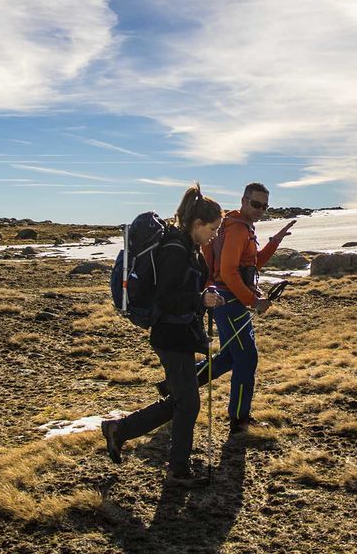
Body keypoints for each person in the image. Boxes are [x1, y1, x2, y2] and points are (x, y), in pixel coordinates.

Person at [101, 183, 224, 487]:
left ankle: (120, 429)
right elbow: (167, 299)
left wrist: (201, 293)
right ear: (197, 223)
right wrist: (200, 300)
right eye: (213, 228)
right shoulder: (175, 250)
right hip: (171, 335)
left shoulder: (187, 247)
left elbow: (182, 290)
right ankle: (177, 470)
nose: (215, 234)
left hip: (179, 333)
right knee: (189, 403)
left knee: (183, 400)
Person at [159, 183, 295, 434]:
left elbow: (251, 264)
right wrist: (253, 302)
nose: (260, 210)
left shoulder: (239, 226)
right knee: (246, 358)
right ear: (243, 200)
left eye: (265, 206)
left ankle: (175, 385)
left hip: (227, 298)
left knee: (229, 357)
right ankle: (239, 419)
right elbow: (229, 272)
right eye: (256, 204)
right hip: (229, 301)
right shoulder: (237, 230)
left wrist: (274, 242)